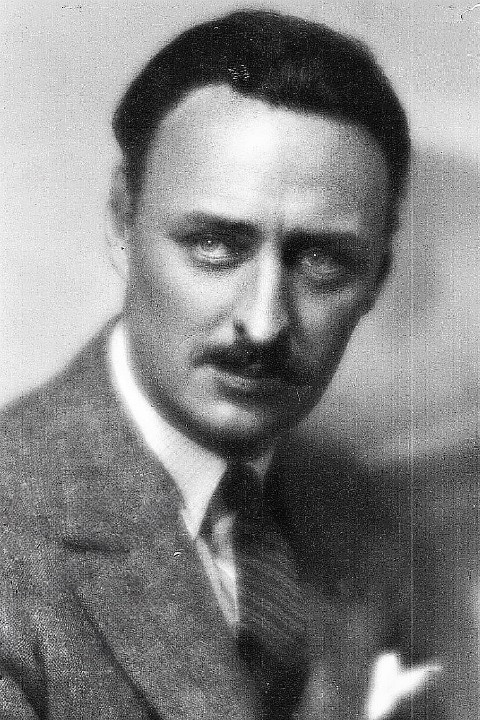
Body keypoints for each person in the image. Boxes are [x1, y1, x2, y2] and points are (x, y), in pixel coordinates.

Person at [0, 9, 446, 719]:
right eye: (215, 244)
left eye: (322, 260)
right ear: (123, 222)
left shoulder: (369, 521)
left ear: (377, 278)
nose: (264, 323)